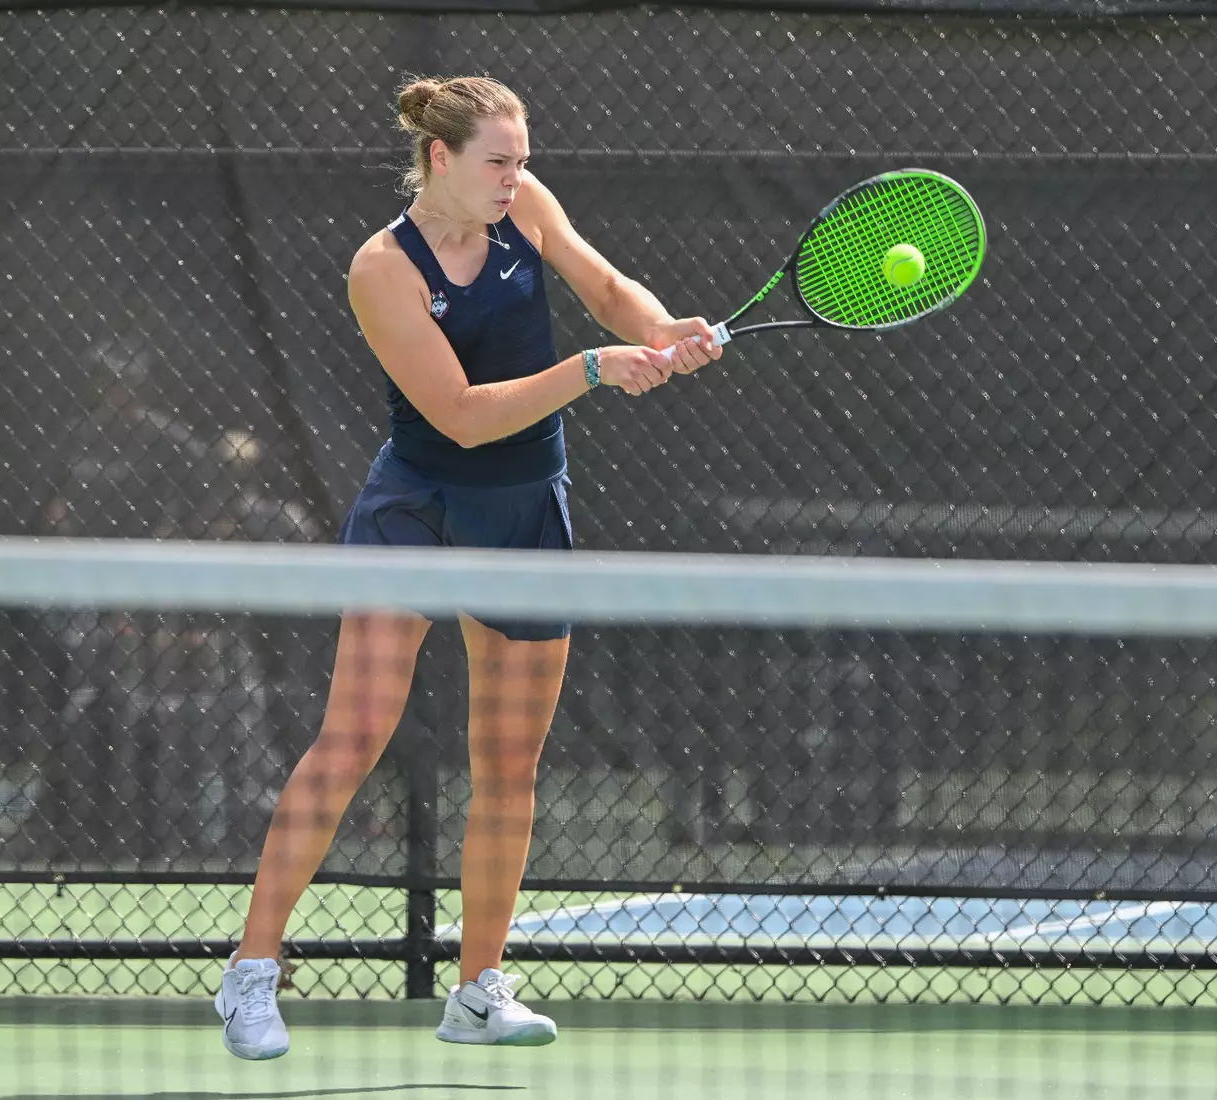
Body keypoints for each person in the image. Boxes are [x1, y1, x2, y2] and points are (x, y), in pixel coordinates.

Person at [213, 74, 721, 1059]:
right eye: (498, 161)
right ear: (438, 158)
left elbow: (607, 288)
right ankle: (250, 973)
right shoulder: (381, 269)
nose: (515, 176)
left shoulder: (524, 207)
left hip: (525, 510)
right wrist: (590, 369)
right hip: (419, 508)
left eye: (521, 160)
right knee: (352, 737)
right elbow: (459, 411)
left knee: (508, 764)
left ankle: (478, 988)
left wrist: (661, 329)